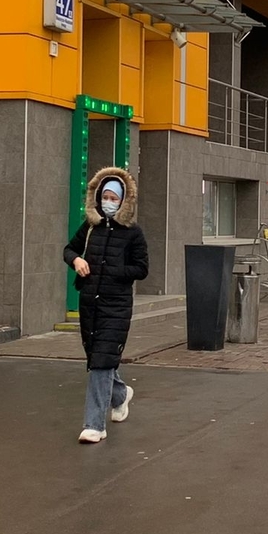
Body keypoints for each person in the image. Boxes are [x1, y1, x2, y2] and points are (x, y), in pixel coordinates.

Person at [63, 167, 149, 444]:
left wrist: (114, 271)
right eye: (106, 196)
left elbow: (142, 269)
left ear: (124, 201)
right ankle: (121, 395)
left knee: (101, 362)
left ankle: (94, 425)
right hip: (90, 303)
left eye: (115, 198)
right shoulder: (90, 227)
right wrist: (76, 261)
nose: (109, 202)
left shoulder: (133, 234)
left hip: (117, 305)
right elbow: (69, 249)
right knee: (97, 358)